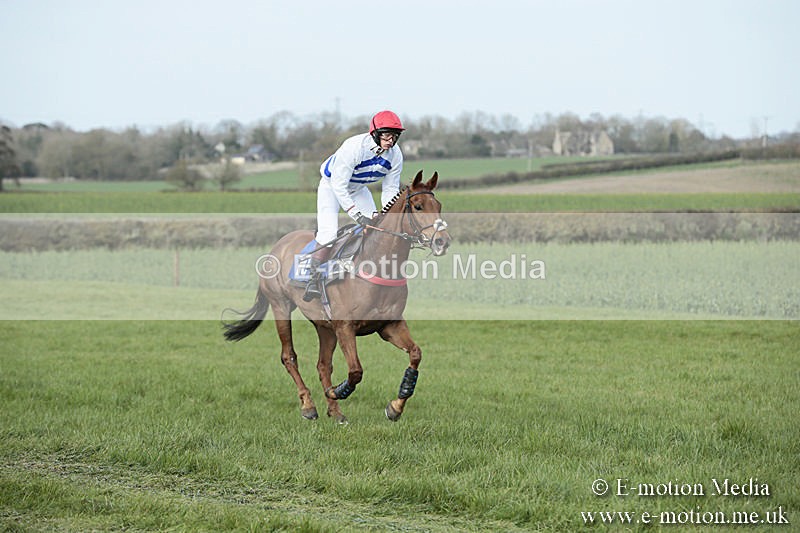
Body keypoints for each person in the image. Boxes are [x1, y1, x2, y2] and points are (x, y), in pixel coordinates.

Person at [303, 110, 405, 301]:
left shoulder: (395, 155)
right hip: (332, 186)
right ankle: (312, 279)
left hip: (358, 188)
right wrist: (357, 215)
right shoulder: (354, 147)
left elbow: (390, 189)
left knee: (377, 227)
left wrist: (385, 215)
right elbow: (339, 186)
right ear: (375, 133)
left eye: (395, 135)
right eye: (386, 134)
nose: (391, 140)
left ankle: (367, 271)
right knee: (329, 233)